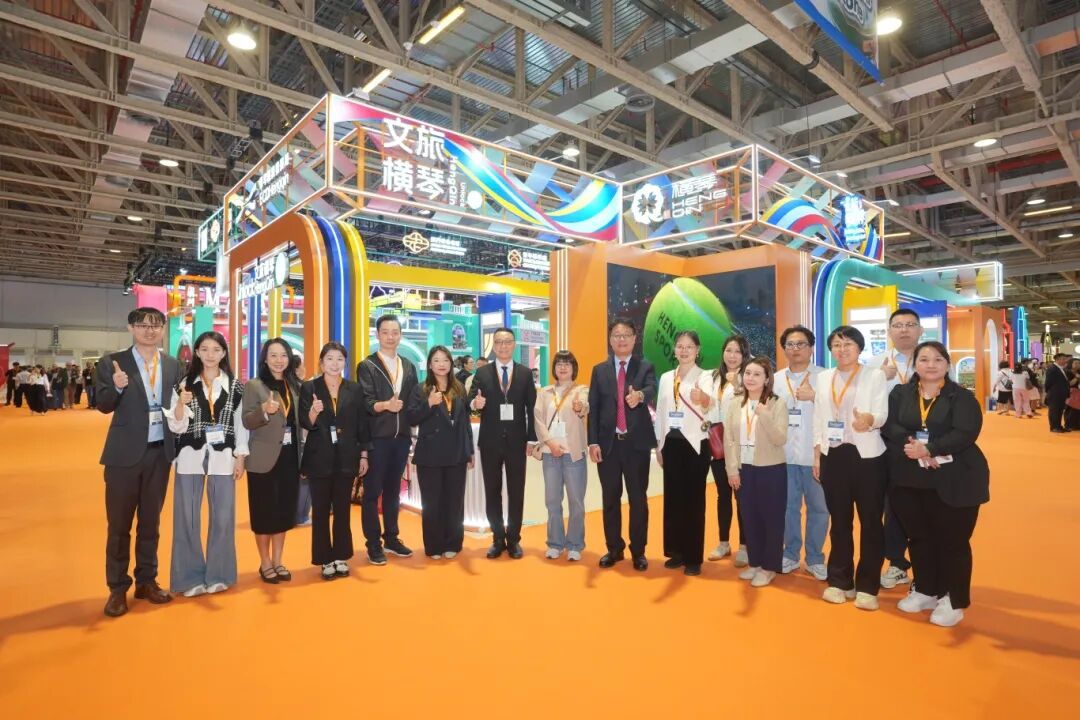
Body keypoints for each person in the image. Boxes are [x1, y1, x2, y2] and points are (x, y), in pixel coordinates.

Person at [883, 341, 990, 627]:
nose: (931, 364)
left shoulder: (962, 397)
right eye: (924, 359)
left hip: (955, 477)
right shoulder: (900, 393)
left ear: (947, 364)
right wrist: (916, 447)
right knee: (919, 536)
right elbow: (890, 425)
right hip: (910, 477)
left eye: (938, 359)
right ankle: (926, 589)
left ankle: (953, 599)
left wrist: (932, 449)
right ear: (915, 364)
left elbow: (966, 432)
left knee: (953, 541)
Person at [96, 307, 181, 618]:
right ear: (131, 328)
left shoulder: (172, 365)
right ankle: (117, 588)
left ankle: (146, 581)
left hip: (160, 454)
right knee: (119, 526)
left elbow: (179, 405)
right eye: (143, 325)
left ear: (163, 329)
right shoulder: (112, 362)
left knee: (150, 523)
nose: (150, 330)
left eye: (156, 325)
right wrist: (117, 386)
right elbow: (103, 404)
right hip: (124, 457)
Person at [812, 325, 889, 611]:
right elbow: (819, 418)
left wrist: (869, 420)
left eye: (848, 344)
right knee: (840, 521)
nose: (842, 349)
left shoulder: (874, 375)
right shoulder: (823, 378)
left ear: (859, 348)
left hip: (867, 457)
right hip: (834, 455)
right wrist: (817, 455)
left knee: (871, 522)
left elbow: (882, 413)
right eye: (836, 344)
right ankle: (840, 581)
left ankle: (868, 585)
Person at [166, 332, 247, 597]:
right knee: (187, 517)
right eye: (205, 349)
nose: (210, 354)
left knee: (223, 517)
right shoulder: (184, 384)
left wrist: (240, 457)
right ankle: (188, 578)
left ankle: (220, 574)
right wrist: (181, 403)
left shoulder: (236, 386)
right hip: (189, 455)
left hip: (224, 458)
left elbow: (241, 425)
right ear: (197, 352)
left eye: (216, 349)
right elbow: (176, 425)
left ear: (224, 353)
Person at [587, 317, 656, 571]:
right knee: (610, 499)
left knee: (638, 499)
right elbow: (594, 408)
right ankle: (614, 549)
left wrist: (640, 395)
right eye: (617, 335)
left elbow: (651, 388)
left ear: (634, 339)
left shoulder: (645, 366)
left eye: (627, 334)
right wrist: (593, 442)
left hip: (636, 446)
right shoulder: (599, 370)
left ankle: (639, 551)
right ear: (610, 340)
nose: (622, 339)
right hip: (608, 446)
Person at [301, 342, 371, 580]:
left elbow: (362, 424)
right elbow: (305, 422)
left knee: (342, 509)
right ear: (321, 363)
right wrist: (313, 411)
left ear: (345, 363)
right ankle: (324, 559)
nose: (334, 363)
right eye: (329, 358)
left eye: (339, 359)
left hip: (347, 457)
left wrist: (364, 454)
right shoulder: (310, 387)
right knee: (321, 511)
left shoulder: (354, 389)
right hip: (319, 457)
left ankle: (341, 555)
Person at [469, 327, 537, 559]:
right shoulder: (482, 372)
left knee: (517, 491)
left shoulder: (525, 373)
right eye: (498, 342)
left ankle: (514, 539)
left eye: (507, 341)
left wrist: (532, 438)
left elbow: (532, 408)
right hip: (490, 441)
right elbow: (470, 399)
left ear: (514, 344)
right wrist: (475, 404)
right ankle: (497, 538)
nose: (503, 346)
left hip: (517, 442)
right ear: (493, 346)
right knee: (492, 490)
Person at [356, 315, 417, 565]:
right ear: (377, 335)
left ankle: (391, 538)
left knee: (393, 491)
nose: (390, 337)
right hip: (377, 439)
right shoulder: (367, 366)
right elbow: (366, 403)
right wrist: (386, 405)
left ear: (400, 335)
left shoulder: (409, 366)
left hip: (401, 439)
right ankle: (373, 544)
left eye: (395, 332)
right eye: (385, 332)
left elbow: (414, 402)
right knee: (372, 492)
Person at [242, 338, 303, 584]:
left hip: (290, 457)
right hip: (263, 458)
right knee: (263, 512)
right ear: (265, 359)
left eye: (283, 355)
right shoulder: (254, 385)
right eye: (273, 355)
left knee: (283, 511)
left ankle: (278, 560)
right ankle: (265, 562)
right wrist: (263, 411)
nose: (279, 360)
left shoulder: (295, 386)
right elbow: (247, 420)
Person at [869, 308, 921, 590]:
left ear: (920, 330)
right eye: (898, 325)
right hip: (886, 444)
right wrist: (878, 377)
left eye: (910, 325)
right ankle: (897, 563)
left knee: (925, 506)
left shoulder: (932, 359)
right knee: (892, 505)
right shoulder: (875, 364)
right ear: (889, 331)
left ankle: (927, 570)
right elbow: (861, 401)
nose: (904, 330)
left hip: (925, 443)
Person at [724, 357, 789, 587]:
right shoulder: (735, 403)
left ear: (767, 379)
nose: (751, 378)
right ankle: (755, 562)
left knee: (771, 519)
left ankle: (769, 567)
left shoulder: (777, 403)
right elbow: (729, 439)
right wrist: (732, 470)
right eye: (748, 373)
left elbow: (780, 438)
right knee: (749, 517)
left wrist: (765, 415)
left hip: (771, 468)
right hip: (744, 468)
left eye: (757, 374)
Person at [406, 346, 474, 560]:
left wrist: (469, 451)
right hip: (430, 454)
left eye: (445, 360)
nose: (441, 364)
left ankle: (453, 542)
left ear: (451, 363)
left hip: (457, 452)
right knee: (432, 502)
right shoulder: (421, 389)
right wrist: (428, 403)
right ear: (429, 365)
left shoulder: (459, 388)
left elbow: (465, 422)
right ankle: (434, 545)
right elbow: (411, 417)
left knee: (455, 501)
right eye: (436, 360)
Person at [774, 326, 828, 580]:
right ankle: (790, 554)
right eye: (790, 344)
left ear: (811, 348)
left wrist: (815, 397)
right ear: (784, 349)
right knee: (788, 508)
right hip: (784, 455)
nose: (795, 349)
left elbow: (836, 411)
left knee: (819, 509)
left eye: (801, 344)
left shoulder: (825, 377)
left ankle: (815, 558)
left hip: (815, 455)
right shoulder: (775, 379)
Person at [655, 331, 710, 576]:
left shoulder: (706, 376)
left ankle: (693, 557)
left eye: (689, 346)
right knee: (673, 500)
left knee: (694, 501)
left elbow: (713, 406)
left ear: (697, 350)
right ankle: (676, 552)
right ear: (675, 349)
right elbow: (661, 410)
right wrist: (659, 445)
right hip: (671, 444)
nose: (684, 350)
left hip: (696, 444)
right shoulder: (667, 377)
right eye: (680, 346)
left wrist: (704, 398)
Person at [695, 334, 750, 566]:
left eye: (738, 351)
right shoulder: (712, 377)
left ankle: (745, 546)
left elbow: (749, 404)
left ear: (744, 355)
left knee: (742, 496)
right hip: (717, 443)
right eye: (729, 350)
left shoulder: (749, 376)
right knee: (723, 494)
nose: (732, 356)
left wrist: (737, 384)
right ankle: (724, 542)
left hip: (740, 445)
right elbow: (706, 406)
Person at [533, 351, 590, 561]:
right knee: (552, 501)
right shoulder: (544, 392)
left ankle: (575, 544)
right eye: (559, 364)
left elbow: (585, 406)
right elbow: (538, 420)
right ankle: (555, 543)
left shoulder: (581, 390)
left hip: (573, 455)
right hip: (551, 453)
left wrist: (580, 407)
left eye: (567, 364)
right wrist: (550, 442)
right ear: (554, 368)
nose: (563, 367)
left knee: (576, 501)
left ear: (574, 368)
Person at [1045, 352, 1074, 434]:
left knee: (1059, 411)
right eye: (1063, 359)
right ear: (1057, 360)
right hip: (1055, 394)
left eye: (1065, 359)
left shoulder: (1060, 368)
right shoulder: (1052, 369)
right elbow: (1048, 383)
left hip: (1060, 394)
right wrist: (1050, 392)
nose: (1065, 361)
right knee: (1054, 411)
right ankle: (1054, 427)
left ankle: (1058, 426)